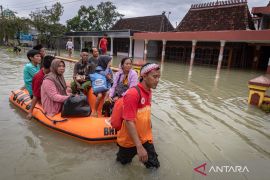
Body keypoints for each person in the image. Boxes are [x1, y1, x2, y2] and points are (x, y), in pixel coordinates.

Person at [116, 63, 161, 168]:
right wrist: (139, 147)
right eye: (155, 76)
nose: (158, 80)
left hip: (145, 138)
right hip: (129, 141)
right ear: (144, 76)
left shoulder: (149, 91)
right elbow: (128, 121)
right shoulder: (133, 94)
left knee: (154, 167)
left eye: (159, 77)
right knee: (122, 166)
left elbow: (145, 114)